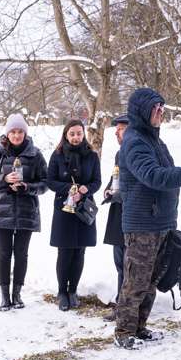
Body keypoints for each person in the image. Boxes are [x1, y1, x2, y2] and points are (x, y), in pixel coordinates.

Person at [114, 88, 181, 349]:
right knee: (135, 282)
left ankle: (140, 327)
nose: (160, 113)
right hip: (142, 224)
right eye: (155, 108)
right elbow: (155, 177)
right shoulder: (135, 141)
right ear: (142, 111)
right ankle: (124, 333)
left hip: (161, 222)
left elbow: (167, 173)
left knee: (150, 281)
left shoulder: (155, 140)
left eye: (162, 108)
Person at [0, 114, 48, 310]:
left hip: (26, 211)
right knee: (3, 254)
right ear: (7, 133)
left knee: (21, 254)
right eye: (13, 132)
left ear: (25, 133)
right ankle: (4, 296)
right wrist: (4, 179)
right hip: (1, 210)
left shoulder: (35, 154)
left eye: (20, 132)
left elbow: (45, 184)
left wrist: (27, 187)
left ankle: (17, 295)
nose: (17, 135)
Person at [47, 119, 102, 311]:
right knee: (64, 251)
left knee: (79, 251)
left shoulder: (92, 156)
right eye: (72, 134)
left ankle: (73, 291)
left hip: (84, 208)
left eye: (79, 133)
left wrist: (85, 189)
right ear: (65, 135)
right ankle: (62, 292)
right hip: (64, 208)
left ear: (84, 134)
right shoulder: (58, 155)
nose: (76, 137)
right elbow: (51, 181)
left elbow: (97, 181)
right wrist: (71, 188)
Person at [102, 114, 129, 322]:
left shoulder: (139, 152)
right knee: (119, 264)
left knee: (131, 265)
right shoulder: (120, 153)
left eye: (120, 129)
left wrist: (117, 193)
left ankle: (129, 307)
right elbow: (115, 178)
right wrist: (108, 190)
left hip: (133, 216)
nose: (116, 133)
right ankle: (121, 305)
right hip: (117, 214)